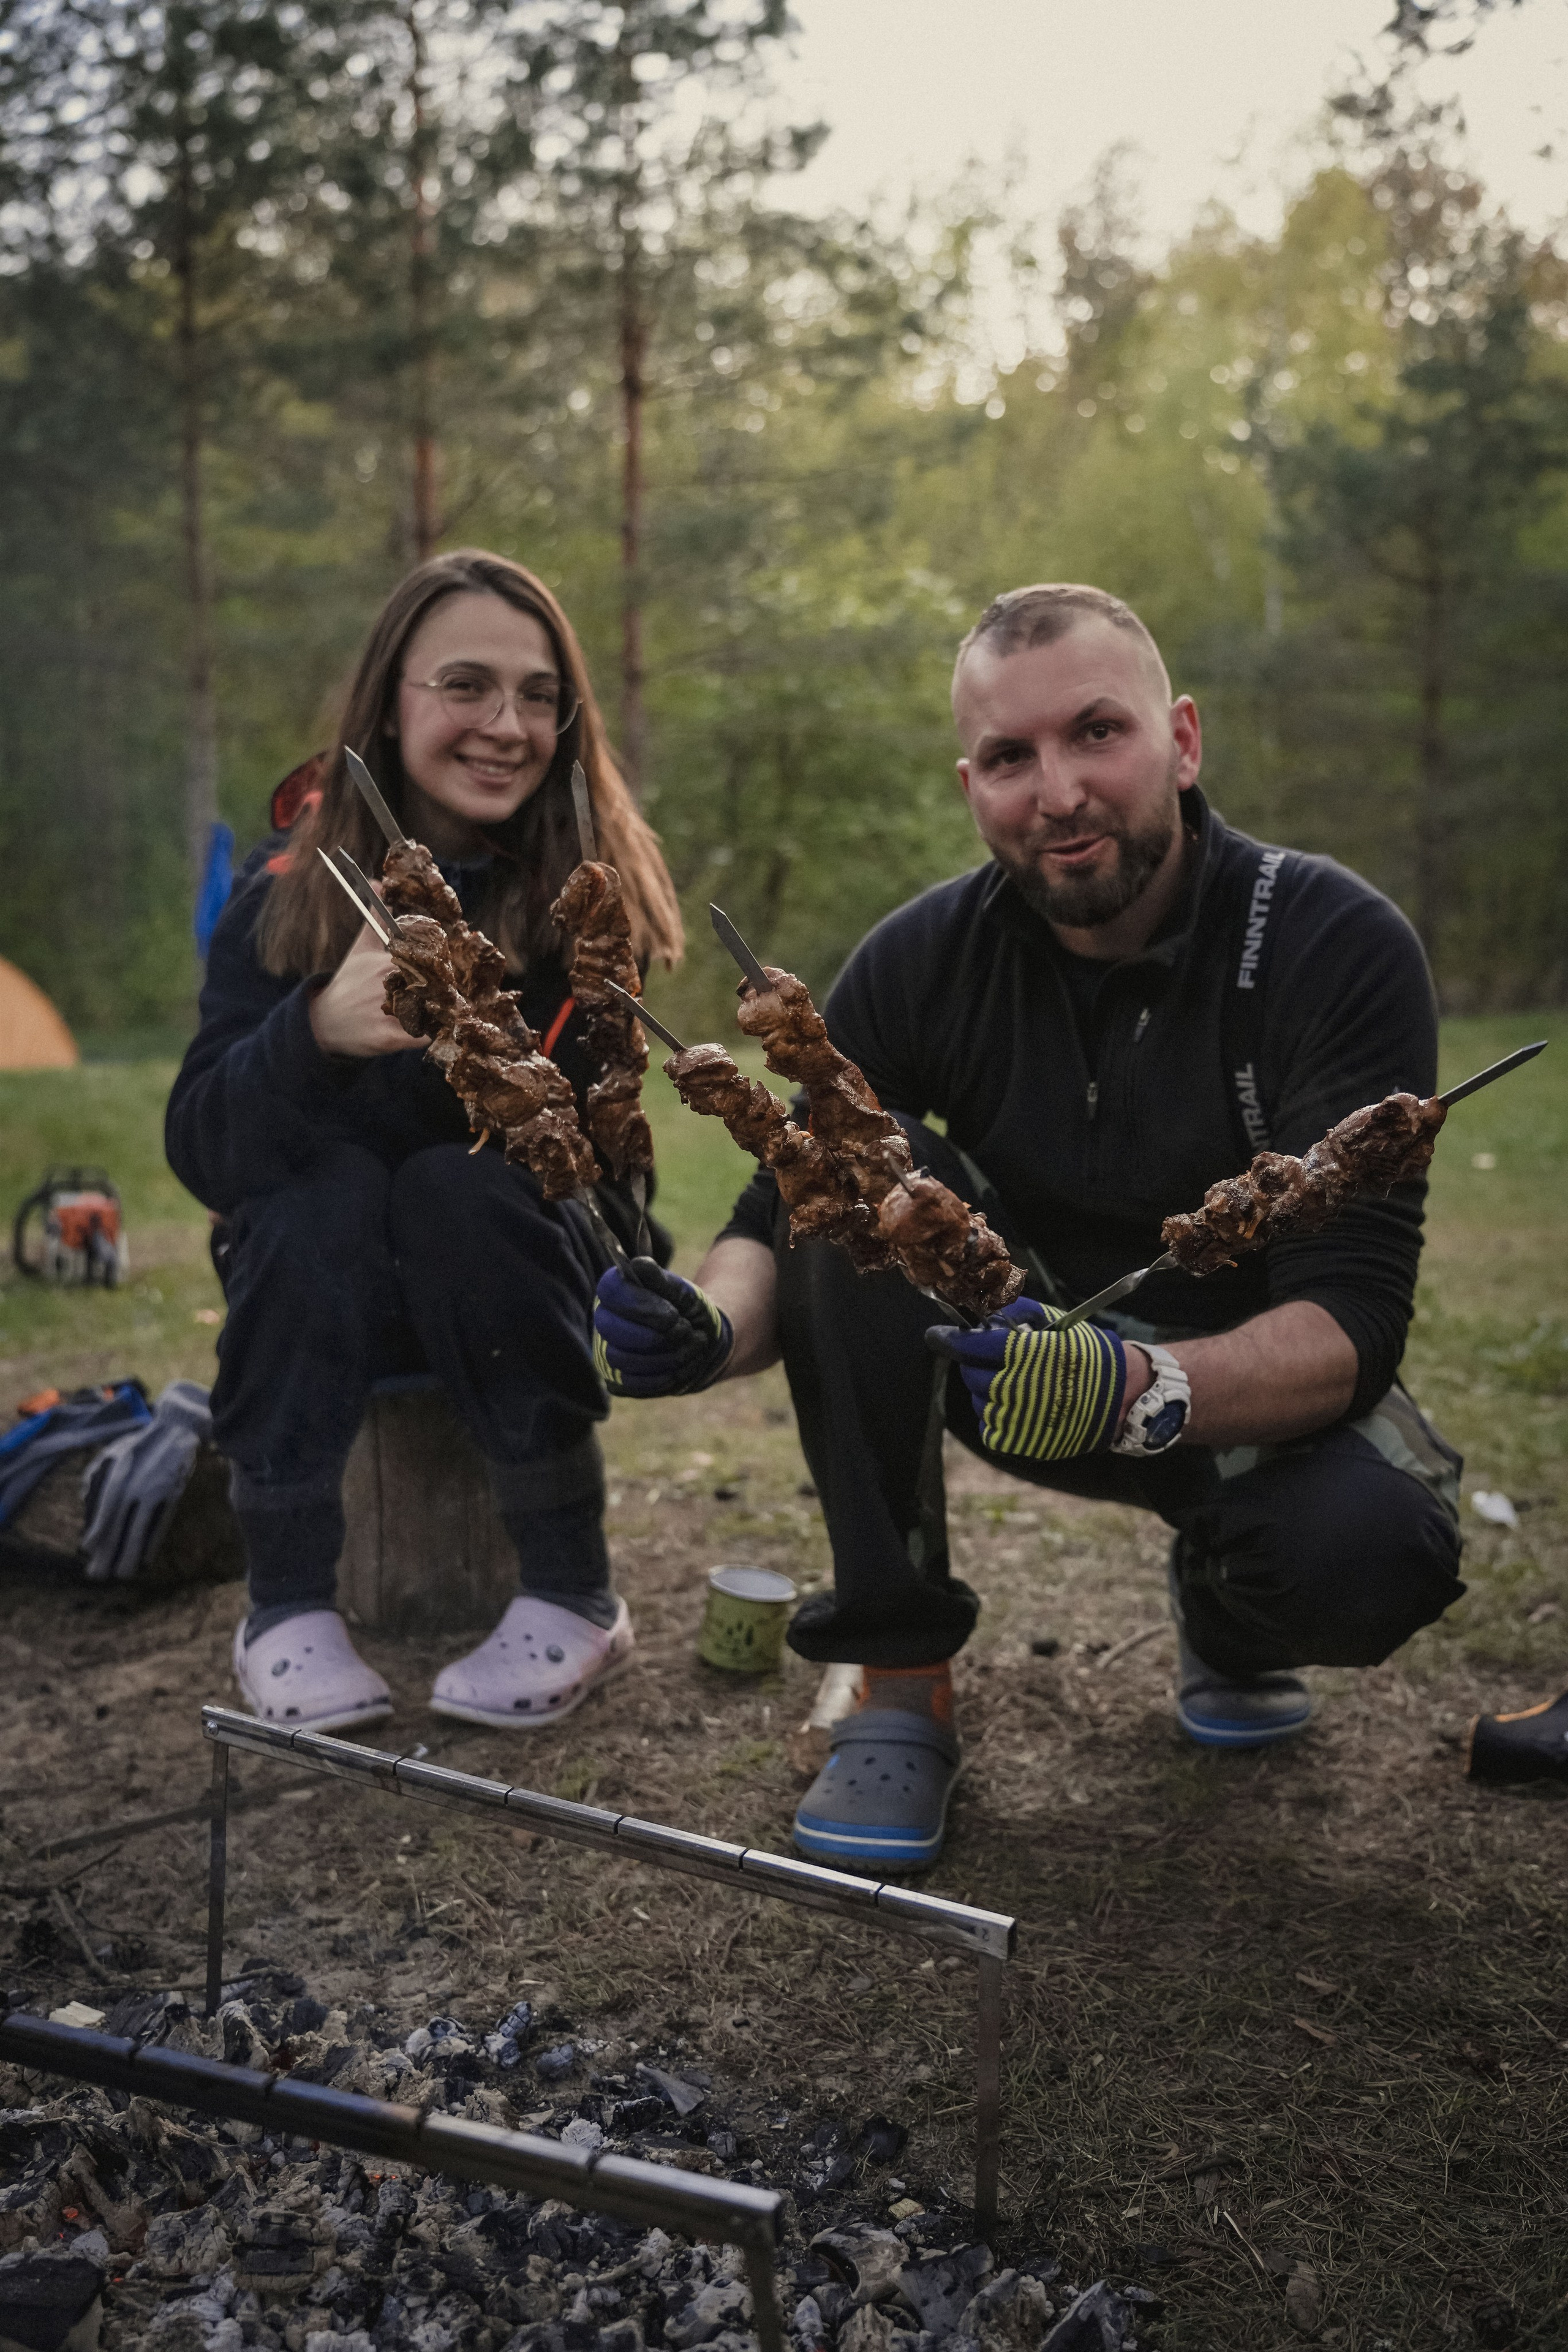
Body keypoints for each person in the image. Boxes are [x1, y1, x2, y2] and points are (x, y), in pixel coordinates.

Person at [592, 583, 1466, 1870]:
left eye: (1093, 734)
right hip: (998, 1374)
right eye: (1009, 757)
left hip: (1235, 1399)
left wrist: (1135, 1383)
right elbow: (778, 1214)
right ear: (970, 782)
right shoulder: (920, 959)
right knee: (861, 1179)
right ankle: (895, 1678)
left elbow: (1352, 1321)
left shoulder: (1333, 944)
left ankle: (1232, 1616)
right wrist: (708, 1327)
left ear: (1180, 739)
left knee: (1364, 1551)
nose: (1054, 792)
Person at [168, 548, 682, 1736]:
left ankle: (570, 1587)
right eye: (465, 685)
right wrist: (315, 1035)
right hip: (316, 1298)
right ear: (389, 706)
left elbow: (615, 1181)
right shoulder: (284, 902)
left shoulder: (581, 911)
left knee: (460, 1189)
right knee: (321, 1193)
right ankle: (286, 1601)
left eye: (539, 694)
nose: (507, 724)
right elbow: (203, 1147)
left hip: (513, 1294)